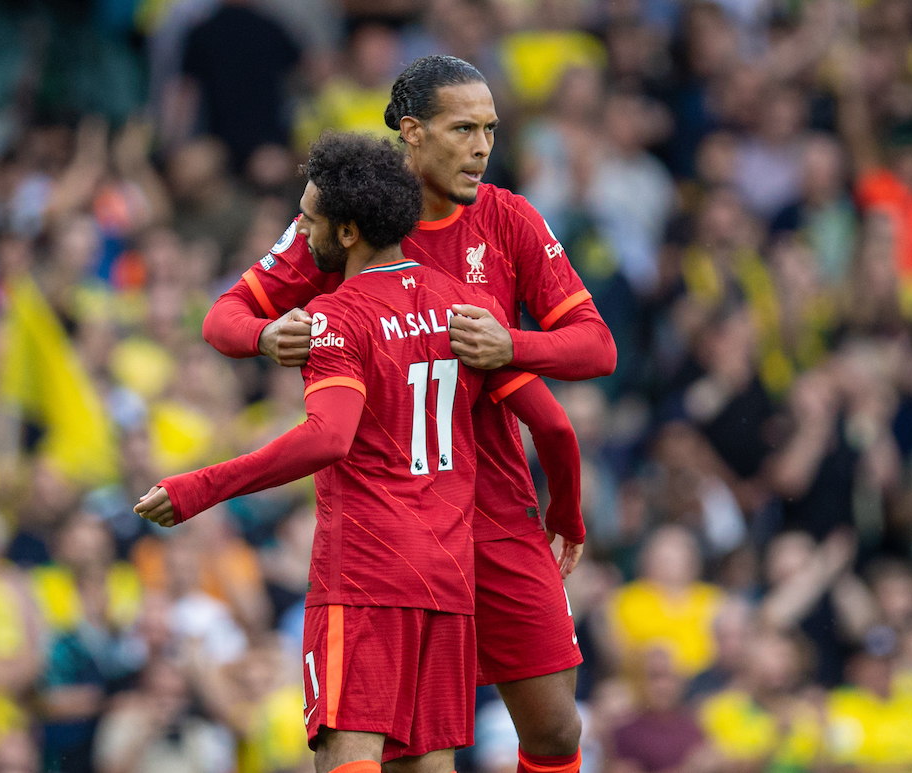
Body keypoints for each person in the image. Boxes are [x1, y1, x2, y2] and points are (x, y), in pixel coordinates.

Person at [201, 54, 617, 771]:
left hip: (495, 508)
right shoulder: (345, 220)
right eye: (463, 128)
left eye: (489, 128)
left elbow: (596, 346)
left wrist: (511, 343)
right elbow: (225, 316)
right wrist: (267, 334)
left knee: (555, 731)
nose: (482, 146)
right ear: (413, 133)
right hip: (394, 520)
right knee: (409, 751)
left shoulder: (509, 218)